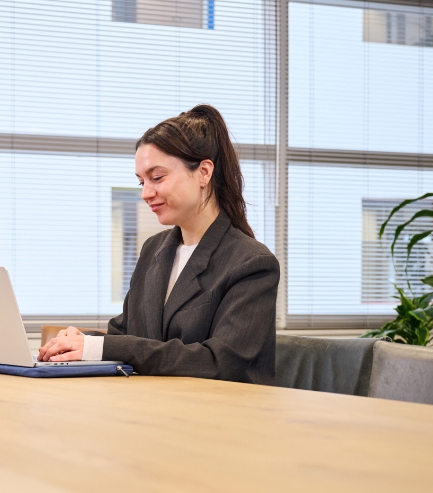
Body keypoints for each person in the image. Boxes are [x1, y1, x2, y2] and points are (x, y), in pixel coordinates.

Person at [37, 105, 279, 384]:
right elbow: (124, 336)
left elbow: (218, 362)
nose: (145, 193)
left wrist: (99, 347)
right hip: (156, 408)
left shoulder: (251, 263)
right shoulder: (154, 250)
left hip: (222, 417)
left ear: (203, 172)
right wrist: (79, 342)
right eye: (141, 181)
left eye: (157, 178)